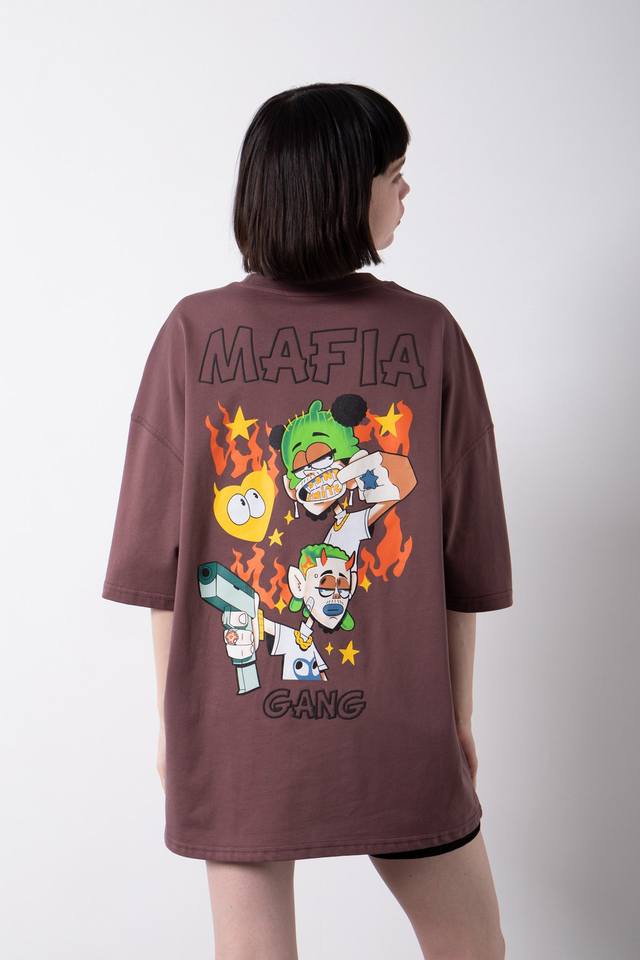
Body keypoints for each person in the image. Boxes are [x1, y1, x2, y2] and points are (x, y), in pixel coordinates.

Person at [102, 82, 513, 960]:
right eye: (393, 173)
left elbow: (157, 567)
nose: (406, 190)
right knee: (473, 946)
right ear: (340, 188)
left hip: (241, 725)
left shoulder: (193, 333)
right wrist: (456, 716)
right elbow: (464, 557)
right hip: (398, 719)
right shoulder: (429, 334)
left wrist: (177, 723)